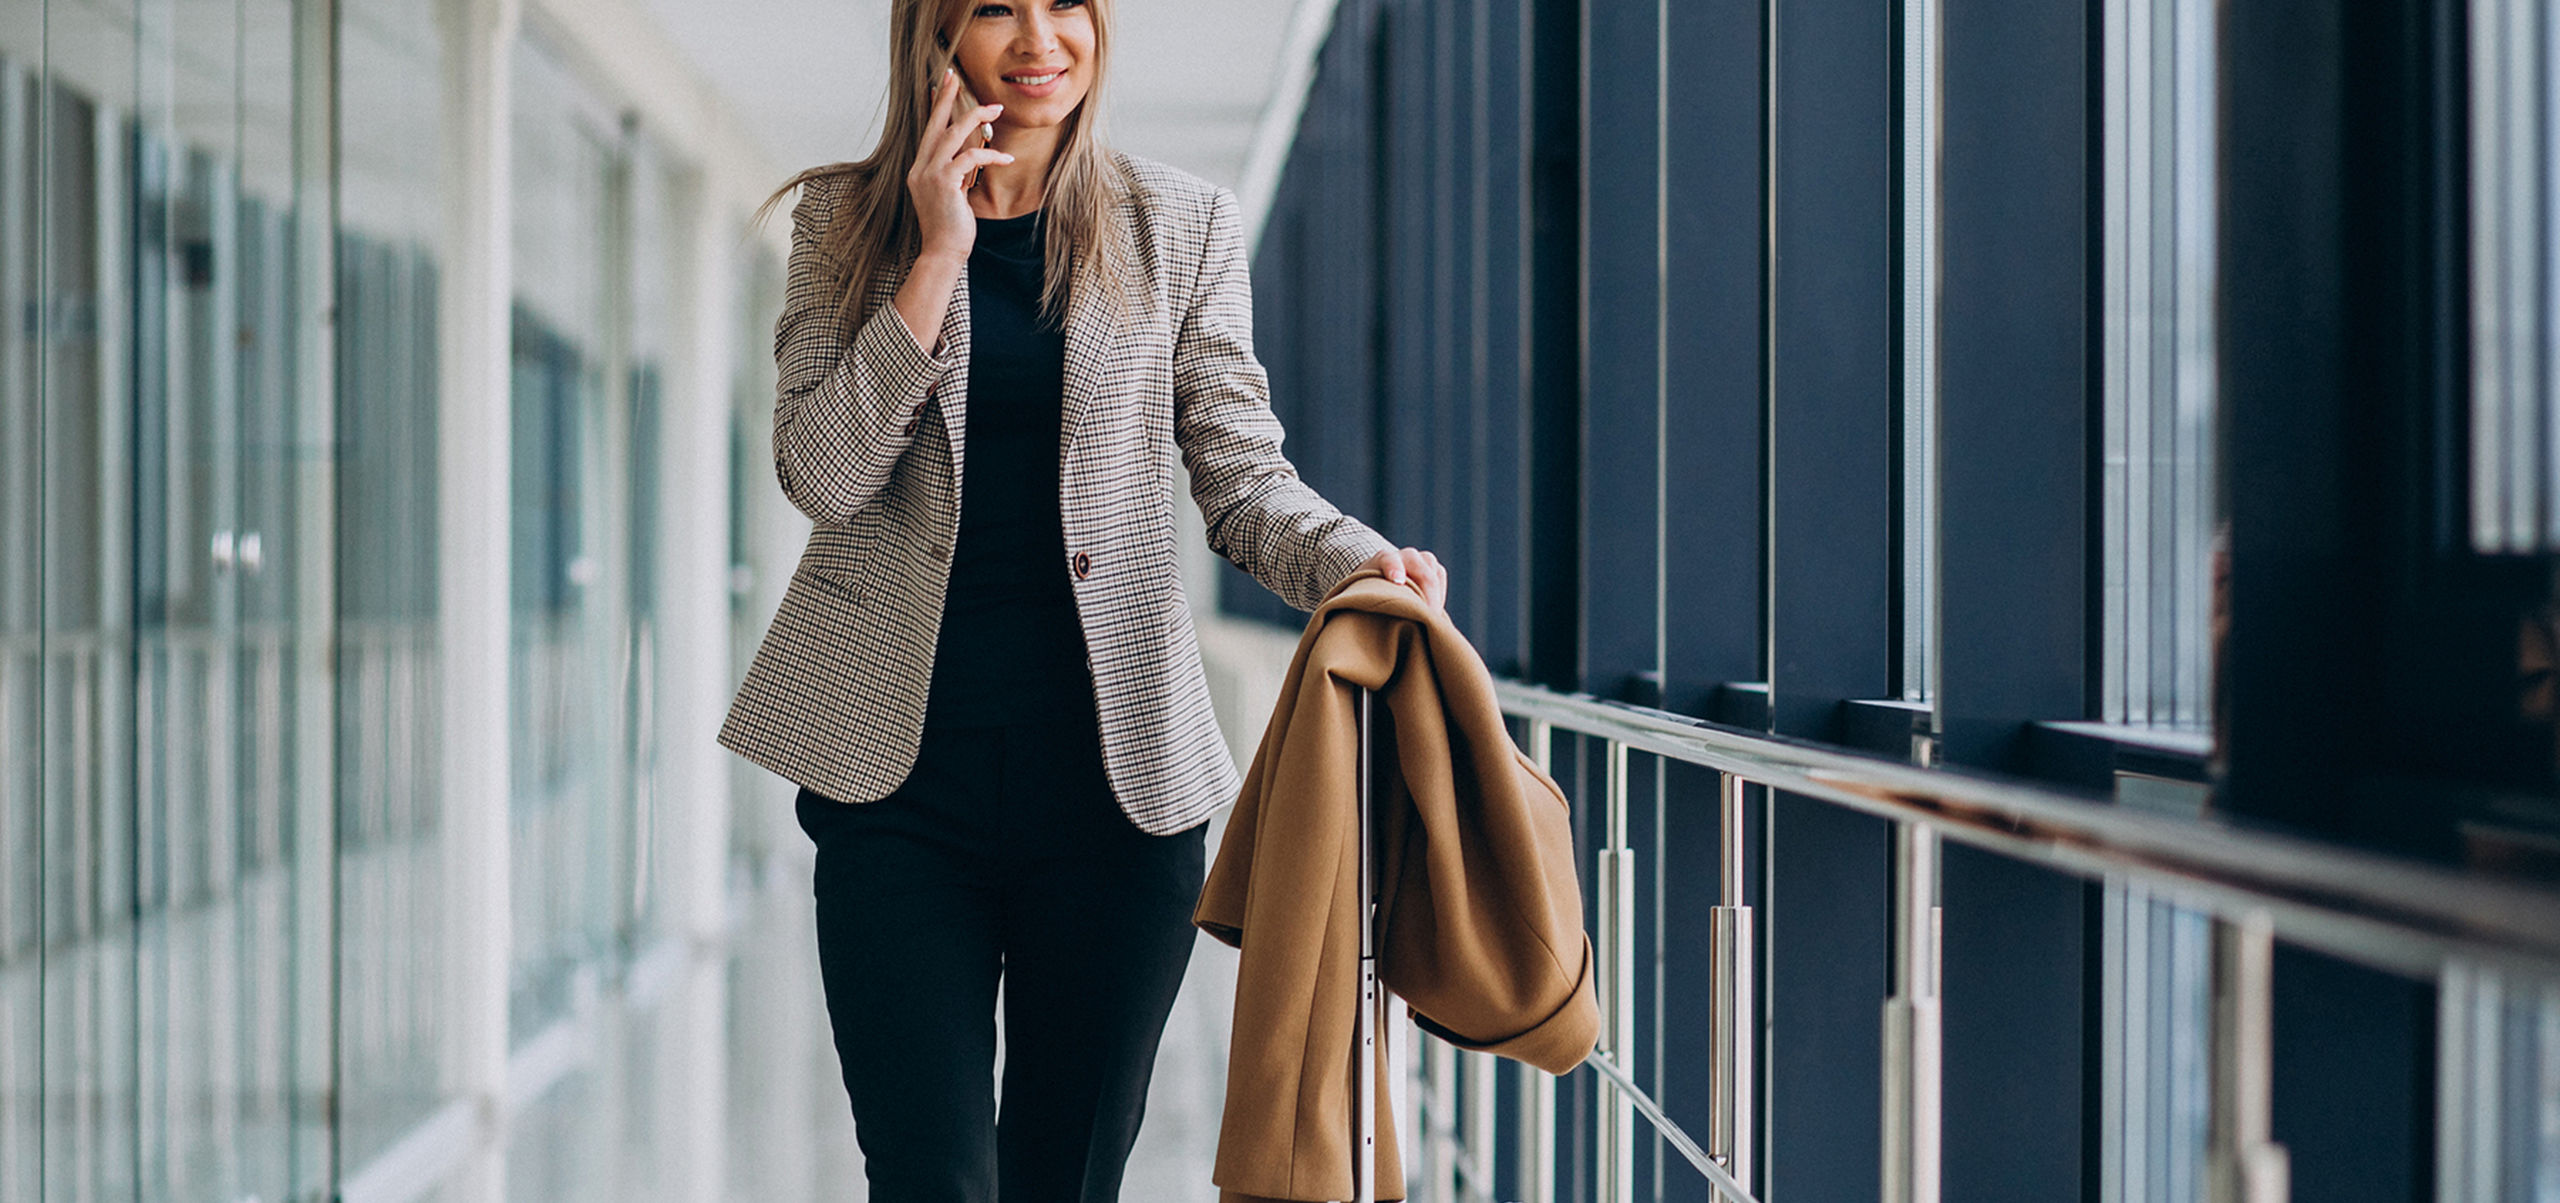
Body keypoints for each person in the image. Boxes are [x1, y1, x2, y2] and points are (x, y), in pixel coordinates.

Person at [714, 1, 1449, 1199]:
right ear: (937, 36)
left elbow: (1239, 474)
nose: (1038, 38)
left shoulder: (1178, 226)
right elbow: (822, 472)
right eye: (997, 8)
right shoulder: (846, 221)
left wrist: (1356, 561)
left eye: (1066, 6)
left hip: (1115, 798)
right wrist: (938, 252)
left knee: (1066, 1179)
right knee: (930, 1176)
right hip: (897, 791)